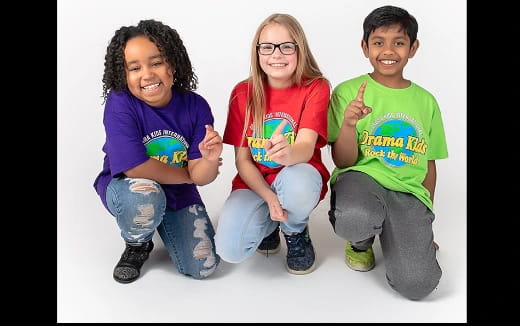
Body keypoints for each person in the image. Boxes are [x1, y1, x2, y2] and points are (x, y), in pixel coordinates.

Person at [327, 5, 448, 300]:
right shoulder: (347, 92)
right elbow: (343, 161)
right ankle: (361, 242)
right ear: (365, 47)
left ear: (413, 48)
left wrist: (424, 221)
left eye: (399, 42)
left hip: (407, 193)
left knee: (418, 285)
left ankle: (399, 235)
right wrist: (349, 124)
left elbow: (428, 164)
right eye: (379, 42)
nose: (388, 50)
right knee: (355, 216)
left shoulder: (426, 101)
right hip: (362, 181)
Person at [93, 19, 222, 284]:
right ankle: (137, 244)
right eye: (135, 68)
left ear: (172, 64)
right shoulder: (120, 103)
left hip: (176, 189)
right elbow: (135, 167)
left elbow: (202, 176)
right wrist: (188, 175)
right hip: (128, 187)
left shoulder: (196, 107)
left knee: (204, 266)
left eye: (156, 62)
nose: (147, 74)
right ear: (123, 74)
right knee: (145, 195)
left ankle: (162, 219)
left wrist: (208, 161)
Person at [214, 13, 330, 275]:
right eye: (267, 47)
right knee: (229, 250)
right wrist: (268, 198)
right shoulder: (242, 93)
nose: (276, 55)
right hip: (255, 183)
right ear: (257, 53)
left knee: (296, 185)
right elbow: (243, 161)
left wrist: (288, 154)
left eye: (286, 46)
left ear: (300, 50)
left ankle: (295, 229)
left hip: (297, 175)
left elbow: (307, 146)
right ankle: (269, 223)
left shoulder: (316, 87)